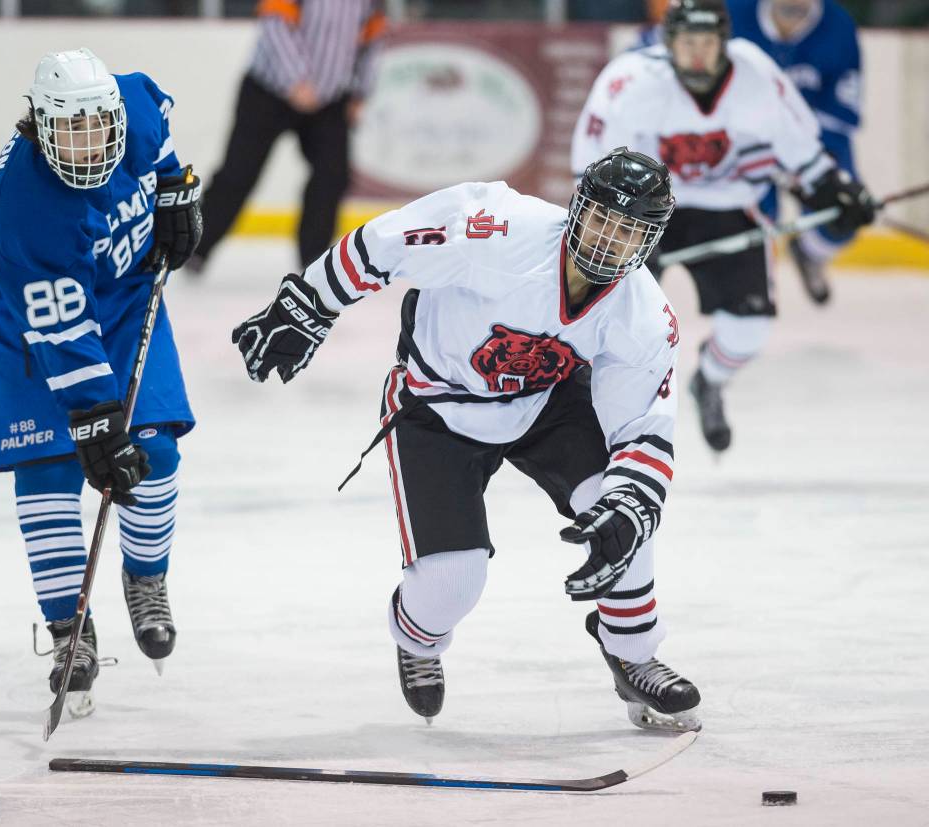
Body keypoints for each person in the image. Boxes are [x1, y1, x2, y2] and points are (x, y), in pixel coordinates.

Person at [231, 147, 702, 733]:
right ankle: (418, 638)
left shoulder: (645, 314)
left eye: (629, 229)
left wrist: (630, 505)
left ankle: (633, 652)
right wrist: (309, 305)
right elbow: (382, 242)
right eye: (604, 217)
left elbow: (642, 428)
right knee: (454, 583)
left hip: (546, 404)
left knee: (622, 512)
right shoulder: (495, 227)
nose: (610, 240)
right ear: (576, 209)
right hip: (437, 407)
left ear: (650, 241)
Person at [0, 48, 203, 703]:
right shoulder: (25, 208)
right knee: (49, 474)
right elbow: (62, 334)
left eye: (95, 127)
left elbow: (158, 125)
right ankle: (71, 626)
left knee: (154, 449)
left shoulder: (131, 105)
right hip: (24, 331)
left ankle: (145, 575)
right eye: (67, 131)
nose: (86, 144)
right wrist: (94, 418)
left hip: (122, 306)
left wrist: (175, 185)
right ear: (39, 126)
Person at [571, 0, 874, 453]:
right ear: (668, 43)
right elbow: (590, 170)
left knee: (748, 328)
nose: (697, 54)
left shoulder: (755, 74)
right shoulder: (630, 81)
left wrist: (837, 191)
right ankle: (592, 407)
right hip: (646, 211)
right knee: (608, 318)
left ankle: (709, 381)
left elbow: (804, 156)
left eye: (708, 43)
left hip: (728, 207)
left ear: (724, 44)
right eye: (687, 43)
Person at [188, 0, 386, 275]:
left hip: (329, 99)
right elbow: (274, 24)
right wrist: (296, 80)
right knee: (238, 173)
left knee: (332, 175)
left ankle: (314, 259)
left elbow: (372, 40)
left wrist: (361, 92)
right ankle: (195, 248)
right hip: (269, 91)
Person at [728, 0, 863, 304]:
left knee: (842, 215)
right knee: (751, 217)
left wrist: (804, 159)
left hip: (816, 142)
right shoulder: (732, 13)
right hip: (746, 140)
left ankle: (809, 252)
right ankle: (755, 282)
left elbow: (841, 110)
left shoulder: (839, 27)